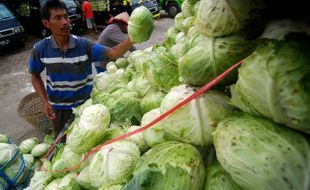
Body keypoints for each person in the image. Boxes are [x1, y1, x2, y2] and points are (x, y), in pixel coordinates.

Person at [28, 0, 134, 137]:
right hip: (59, 109)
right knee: (63, 143)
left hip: (87, 108)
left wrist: (134, 37)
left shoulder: (83, 45)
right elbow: (35, 75)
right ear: (46, 23)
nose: (65, 22)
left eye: (66, 16)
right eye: (58, 18)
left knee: (87, 145)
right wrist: (44, 102)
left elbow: (113, 53)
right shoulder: (40, 49)